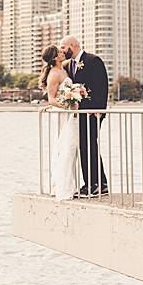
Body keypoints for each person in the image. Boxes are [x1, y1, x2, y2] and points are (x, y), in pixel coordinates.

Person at [59, 34, 109, 197]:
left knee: (89, 145)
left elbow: (102, 87)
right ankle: (96, 183)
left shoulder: (93, 60)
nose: (62, 51)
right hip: (79, 113)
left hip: (92, 113)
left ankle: (95, 184)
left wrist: (99, 110)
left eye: (63, 48)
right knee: (85, 146)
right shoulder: (69, 65)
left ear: (72, 46)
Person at [38, 45, 80, 201]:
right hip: (64, 115)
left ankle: (69, 184)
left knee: (70, 148)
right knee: (65, 148)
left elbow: (61, 94)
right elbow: (52, 98)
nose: (64, 52)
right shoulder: (54, 74)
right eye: (61, 52)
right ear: (55, 58)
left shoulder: (63, 69)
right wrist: (68, 105)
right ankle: (63, 187)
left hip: (69, 114)